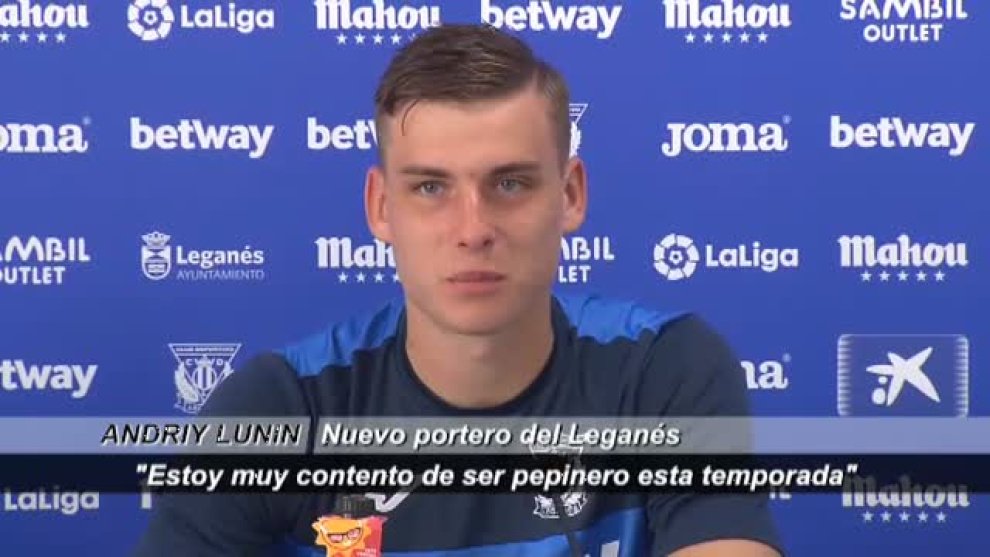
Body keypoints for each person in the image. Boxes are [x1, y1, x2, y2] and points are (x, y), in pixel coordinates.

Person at [133, 23, 783, 557]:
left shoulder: (663, 368)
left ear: (570, 195)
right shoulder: (280, 409)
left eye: (510, 183)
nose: (473, 229)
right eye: (430, 187)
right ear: (381, 208)